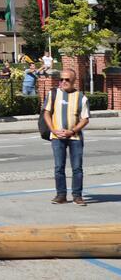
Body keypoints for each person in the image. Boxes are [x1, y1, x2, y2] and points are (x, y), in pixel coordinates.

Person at [43, 68, 90, 206]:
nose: (63, 82)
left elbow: (85, 119)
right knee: (59, 167)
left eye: (67, 80)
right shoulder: (53, 94)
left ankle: (77, 195)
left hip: (74, 137)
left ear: (74, 81)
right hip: (57, 137)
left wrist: (72, 131)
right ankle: (61, 195)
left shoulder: (81, 97)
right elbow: (46, 113)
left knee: (77, 168)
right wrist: (53, 130)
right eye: (61, 79)